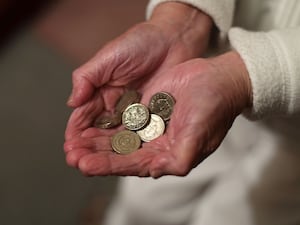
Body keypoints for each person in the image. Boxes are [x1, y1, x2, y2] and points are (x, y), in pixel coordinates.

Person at [64, 0, 300, 224]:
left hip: (290, 133)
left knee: (235, 217)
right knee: (145, 202)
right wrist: (182, 18)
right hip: (211, 72)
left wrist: (245, 76)